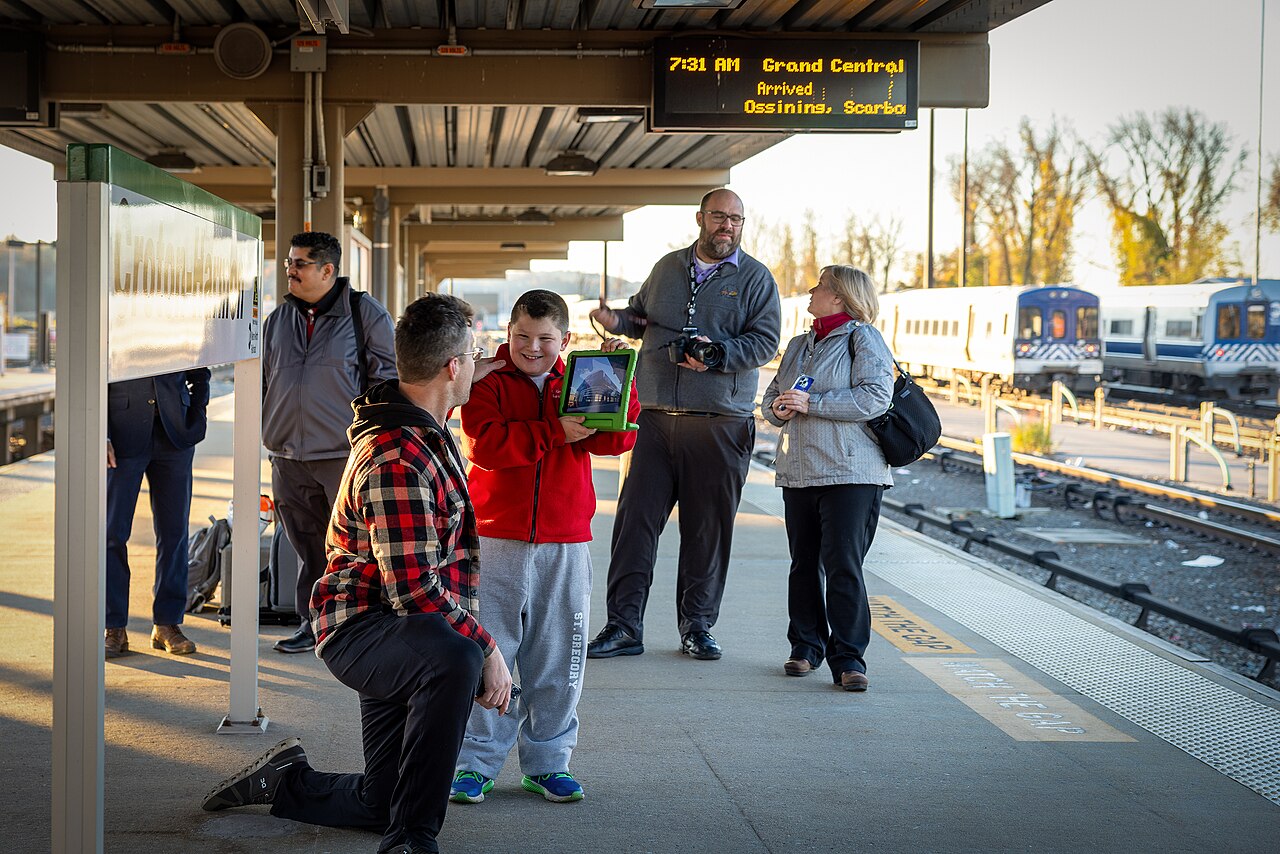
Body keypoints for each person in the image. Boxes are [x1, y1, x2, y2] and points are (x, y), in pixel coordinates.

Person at [202, 294, 513, 854]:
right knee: (458, 658)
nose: (478, 362)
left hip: (398, 626)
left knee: (382, 801)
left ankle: (286, 780)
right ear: (453, 367)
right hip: (367, 629)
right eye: (475, 354)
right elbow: (415, 588)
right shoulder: (399, 456)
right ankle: (412, 842)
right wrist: (487, 648)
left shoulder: (424, 426)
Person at [451, 290, 639, 805]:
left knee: (560, 656)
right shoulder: (486, 381)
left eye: (545, 339)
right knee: (488, 652)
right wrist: (555, 431)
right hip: (494, 535)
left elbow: (615, 439)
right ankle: (475, 764)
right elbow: (487, 447)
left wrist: (622, 382)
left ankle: (549, 762)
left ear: (566, 339)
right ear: (506, 335)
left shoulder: (580, 379)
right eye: (522, 338)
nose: (532, 348)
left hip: (564, 537)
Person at [586, 188, 781, 662]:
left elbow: (765, 342)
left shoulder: (756, 279)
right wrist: (617, 320)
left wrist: (717, 357)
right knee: (634, 527)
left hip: (720, 423)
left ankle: (697, 627)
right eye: (718, 216)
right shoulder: (667, 268)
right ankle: (623, 627)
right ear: (700, 218)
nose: (727, 226)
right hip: (652, 421)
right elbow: (641, 317)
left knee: (705, 533)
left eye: (736, 218)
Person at [760, 265, 894, 692]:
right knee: (803, 566)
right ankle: (805, 647)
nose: (810, 292)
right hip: (800, 470)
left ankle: (849, 658)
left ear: (838, 296)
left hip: (851, 472)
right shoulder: (799, 344)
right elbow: (772, 398)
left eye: (818, 287)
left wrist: (810, 402)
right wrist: (778, 409)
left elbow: (876, 396)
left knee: (842, 566)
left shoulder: (863, 337)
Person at [263, 231, 396, 653]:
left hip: (343, 454)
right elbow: (265, 380)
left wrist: (371, 441)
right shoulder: (277, 320)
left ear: (327, 270)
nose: (290, 270)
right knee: (306, 545)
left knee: (354, 545)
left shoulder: (365, 314)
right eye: (289, 262)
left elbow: (386, 380)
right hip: (287, 456)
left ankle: (360, 621)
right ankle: (313, 623)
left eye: (299, 264)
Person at [104, 368, 211, 658]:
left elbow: (200, 370)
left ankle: (167, 624)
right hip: (122, 435)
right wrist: (102, 434)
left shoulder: (176, 321)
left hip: (174, 435)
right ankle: (113, 626)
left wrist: (197, 414)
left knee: (174, 533)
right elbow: (94, 372)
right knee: (111, 534)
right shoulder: (112, 321)